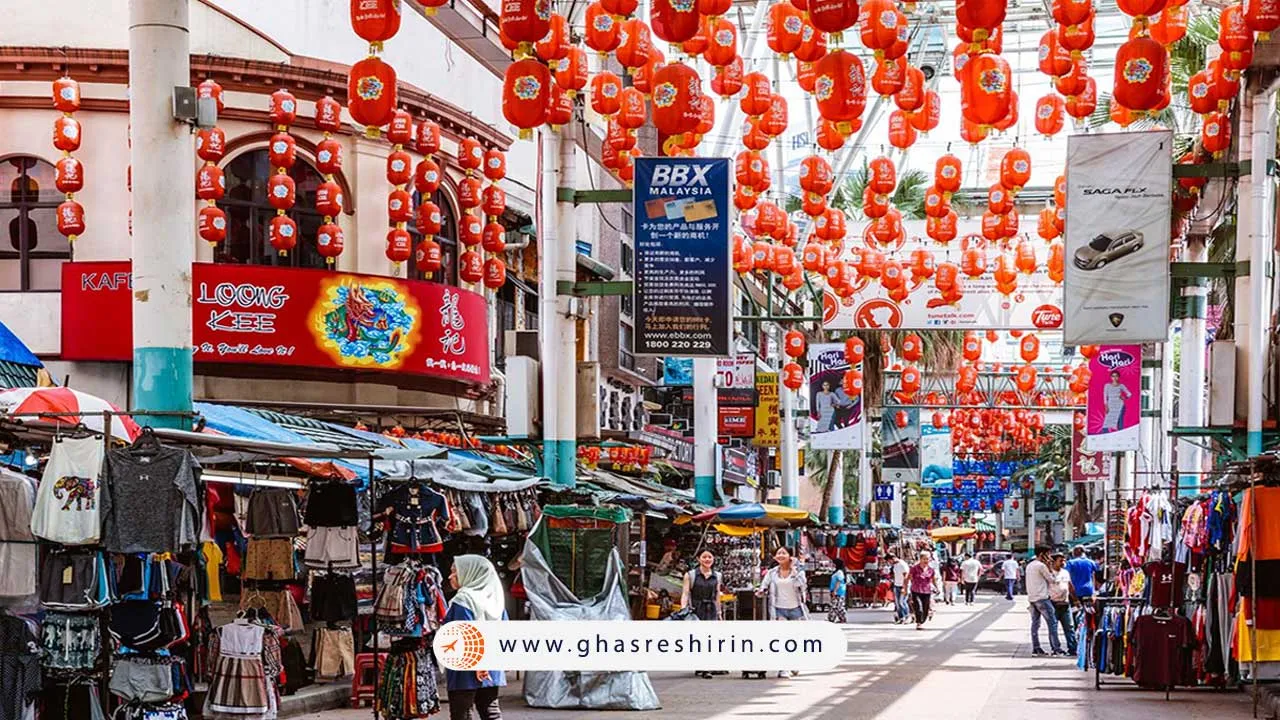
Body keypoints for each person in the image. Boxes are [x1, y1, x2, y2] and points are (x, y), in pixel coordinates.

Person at [444, 555, 507, 720]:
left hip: (466, 666)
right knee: (490, 711)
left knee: (462, 713)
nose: (450, 576)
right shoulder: (496, 601)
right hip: (491, 665)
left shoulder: (463, 600)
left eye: (455, 572)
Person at [758, 546, 807, 678]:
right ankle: (783, 668)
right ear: (775, 557)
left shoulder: (798, 571)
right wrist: (761, 590)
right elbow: (764, 584)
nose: (780, 555)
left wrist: (795, 570)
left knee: (795, 639)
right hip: (779, 609)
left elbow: (802, 585)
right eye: (778, 553)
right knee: (782, 638)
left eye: (783, 553)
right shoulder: (772, 573)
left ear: (790, 556)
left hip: (796, 609)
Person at [682, 549, 725, 679]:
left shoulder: (717, 576)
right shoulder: (690, 575)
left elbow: (717, 594)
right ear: (699, 559)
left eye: (710, 557)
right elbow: (685, 593)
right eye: (704, 557)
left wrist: (719, 612)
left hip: (711, 609)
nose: (707, 559)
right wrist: (683, 609)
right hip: (696, 609)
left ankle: (706, 667)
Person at [1025, 547, 1065, 656]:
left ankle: (1036, 648)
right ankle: (1056, 648)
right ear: (1042, 554)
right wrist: (1050, 567)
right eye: (1048, 554)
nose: (1049, 557)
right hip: (1042, 598)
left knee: (1035, 624)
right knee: (1052, 623)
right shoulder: (1041, 566)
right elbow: (1052, 580)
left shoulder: (1030, 565)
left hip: (1032, 598)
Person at [1050, 553, 1078, 656]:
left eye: (1063, 560)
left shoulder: (1065, 572)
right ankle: (1056, 648)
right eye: (1060, 560)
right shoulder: (1049, 573)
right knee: (1053, 628)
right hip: (1053, 604)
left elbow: (1070, 586)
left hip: (1066, 604)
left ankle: (1072, 649)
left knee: (1070, 627)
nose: (1063, 563)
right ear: (1054, 562)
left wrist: (1075, 600)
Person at [908, 553, 936, 630]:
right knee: (918, 607)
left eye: (927, 559)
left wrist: (936, 587)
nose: (926, 561)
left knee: (925, 608)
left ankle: (922, 620)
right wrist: (906, 587)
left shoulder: (931, 570)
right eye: (924, 559)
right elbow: (909, 578)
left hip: (927, 591)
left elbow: (932, 579)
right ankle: (919, 623)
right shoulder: (914, 568)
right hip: (916, 590)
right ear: (920, 559)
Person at [889, 553, 911, 624]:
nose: (889, 563)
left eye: (889, 561)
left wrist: (904, 587)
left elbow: (906, 576)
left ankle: (907, 616)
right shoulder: (895, 565)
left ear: (893, 558)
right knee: (897, 603)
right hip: (896, 585)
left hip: (903, 585)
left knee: (902, 602)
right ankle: (901, 617)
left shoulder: (902, 564)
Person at [828, 559, 848, 623]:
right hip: (838, 591)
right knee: (836, 605)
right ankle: (835, 618)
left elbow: (838, 582)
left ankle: (834, 618)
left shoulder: (839, 572)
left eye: (833, 563)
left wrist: (835, 591)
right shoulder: (837, 571)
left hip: (838, 591)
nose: (832, 564)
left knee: (836, 605)